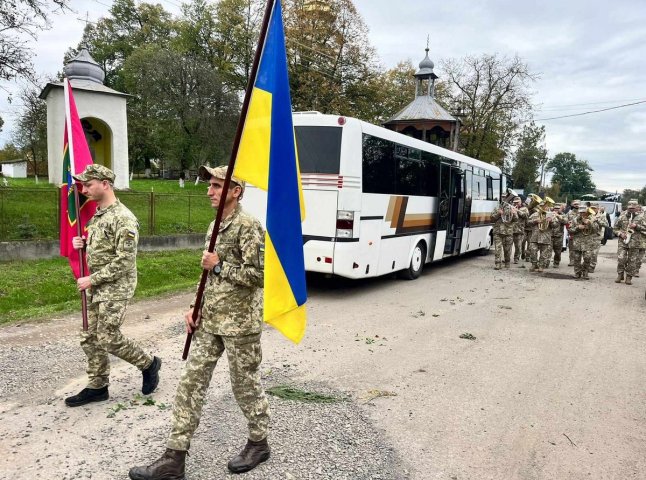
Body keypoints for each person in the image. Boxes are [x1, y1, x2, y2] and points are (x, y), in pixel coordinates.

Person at [129, 165, 270, 480]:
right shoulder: (214, 225)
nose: (210, 191)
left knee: (245, 386)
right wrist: (195, 307)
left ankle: (259, 442)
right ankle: (173, 459)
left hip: (240, 324)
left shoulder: (248, 226)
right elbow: (205, 275)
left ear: (236, 192)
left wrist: (220, 266)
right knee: (190, 383)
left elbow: (259, 276)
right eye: (210, 186)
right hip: (209, 321)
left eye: (218, 187)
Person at [65, 164, 161, 407]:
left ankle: (149, 363)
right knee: (89, 337)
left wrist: (92, 279)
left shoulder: (124, 218)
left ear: (105, 184)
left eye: (88, 184)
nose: (84, 189)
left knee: (108, 337)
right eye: (83, 185)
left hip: (115, 287)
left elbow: (125, 261)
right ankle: (98, 386)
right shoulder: (99, 215)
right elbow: (105, 249)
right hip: (96, 287)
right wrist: (83, 244)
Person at [614, 200, 646, 285]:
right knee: (621, 259)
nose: (631, 208)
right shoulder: (622, 216)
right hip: (623, 241)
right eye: (630, 207)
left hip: (635, 242)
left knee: (632, 261)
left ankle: (629, 277)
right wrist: (620, 234)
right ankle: (620, 275)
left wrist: (637, 226)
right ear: (627, 206)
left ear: (637, 207)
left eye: (633, 207)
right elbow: (615, 228)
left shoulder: (642, 217)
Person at [490, 193, 518, 270]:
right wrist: (498, 214)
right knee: (498, 249)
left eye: (505, 197)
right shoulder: (497, 208)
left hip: (508, 232)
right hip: (498, 232)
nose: (504, 199)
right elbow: (492, 218)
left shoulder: (511, 208)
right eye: (502, 197)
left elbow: (516, 220)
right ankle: (498, 264)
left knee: (507, 250)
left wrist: (514, 213)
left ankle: (507, 263)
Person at [570, 206, 598, 279]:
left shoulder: (592, 219)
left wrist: (590, 223)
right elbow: (570, 230)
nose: (582, 214)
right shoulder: (575, 220)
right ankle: (577, 273)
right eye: (581, 212)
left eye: (584, 212)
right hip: (577, 243)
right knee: (576, 259)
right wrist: (577, 228)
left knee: (587, 258)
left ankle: (585, 272)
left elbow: (596, 230)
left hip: (588, 242)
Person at [527, 200, 555, 273]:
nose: (544, 207)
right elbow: (527, 222)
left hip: (545, 237)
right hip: (535, 237)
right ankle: (534, 264)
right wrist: (535, 221)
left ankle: (541, 266)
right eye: (542, 206)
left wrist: (551, 221)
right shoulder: (535, 214)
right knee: (532, 250)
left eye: (545, 206)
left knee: (544, 253)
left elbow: (556, 225)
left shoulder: (551, 215)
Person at [588, 203, 607, 273]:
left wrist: (597, 220)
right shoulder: (587, 215)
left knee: (594, 253)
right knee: (587, 253)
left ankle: (592, 266)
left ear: (598, 208)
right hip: (587, 236)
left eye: (594, 208)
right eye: (592, 208)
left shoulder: (601, 216)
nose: (593, 209)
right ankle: (586, 265)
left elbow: (606, 225)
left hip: (596, 237)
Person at [549, 203, 568, 268]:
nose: (556, 210)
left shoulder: (563, 215)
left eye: (558, 208)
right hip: (549, 235)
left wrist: (558, 216)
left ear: (561, 209)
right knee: (548, 250)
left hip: (558, 236)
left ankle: (556, 262)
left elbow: (565, 222)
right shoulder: (549, 214)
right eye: (555, 208)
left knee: (557, 251)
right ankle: (545, 262)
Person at [511, 196, 528, 265]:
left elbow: (526, 216)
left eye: (518, 202)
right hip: (511, 229)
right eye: (515, 202)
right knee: (508, 246)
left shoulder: (524, 208)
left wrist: (517, 211)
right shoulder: (511, 207)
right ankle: (507, 258)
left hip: (519, 230)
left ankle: (516, 258)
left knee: (518, 246)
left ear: (520, 202)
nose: (516, 204)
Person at [566, 199, 580, 266]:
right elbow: (566, 221)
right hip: (572, 232)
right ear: (572, 205)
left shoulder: (582, 212)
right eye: (575, 204)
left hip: (580, 232)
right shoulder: (569, 213)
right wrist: (568, 223)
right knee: (571, 248)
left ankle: (578, 261)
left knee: (579, 248)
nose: (576, 205)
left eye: (578, 204)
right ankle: (572, 261)